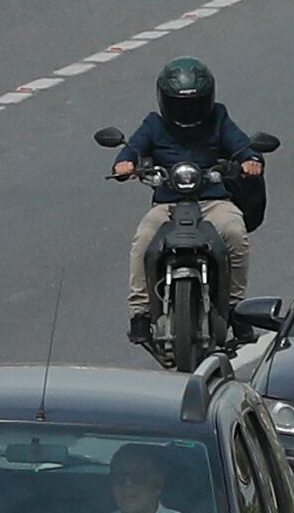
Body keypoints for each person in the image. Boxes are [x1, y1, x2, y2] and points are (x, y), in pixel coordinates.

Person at [108, 56, 265, 352]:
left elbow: (241, 144)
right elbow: (132, 148)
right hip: (167, 206)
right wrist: (125, 163)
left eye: (194, 103)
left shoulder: (219, 117)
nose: (187, 111)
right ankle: (140, 313)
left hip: (213, 201)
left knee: (235, 233)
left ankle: (236, 308)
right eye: (180, 104)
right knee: (143, 240)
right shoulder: (153, 124)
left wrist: (250, 160)